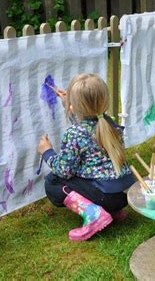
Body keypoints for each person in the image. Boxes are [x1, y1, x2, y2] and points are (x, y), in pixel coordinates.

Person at [37, 73, 134, 241]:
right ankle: (114, 211)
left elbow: (63, 170)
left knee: (53, 181)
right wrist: (69, 103)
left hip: (105, 196)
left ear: (73, 107)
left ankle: (95, 214)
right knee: (98, 177)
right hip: (123, 195)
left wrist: (47, 151)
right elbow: (89, 123)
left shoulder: (74, 133)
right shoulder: (108, 122)